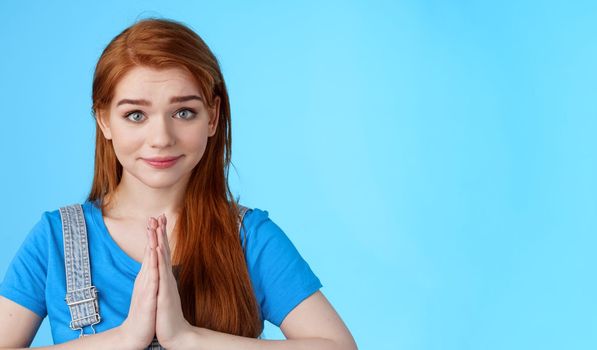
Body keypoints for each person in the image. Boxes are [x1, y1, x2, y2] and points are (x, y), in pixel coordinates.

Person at [0, 18, 357, 350]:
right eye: (135, 115)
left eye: (183, 112)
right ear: (105, 121)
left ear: (212, 117)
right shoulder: (56, 239)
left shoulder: (250, 238)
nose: (161, 137)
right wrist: (125, 337)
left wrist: (188, 337)